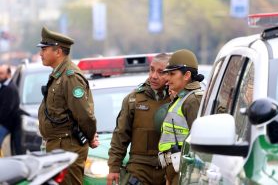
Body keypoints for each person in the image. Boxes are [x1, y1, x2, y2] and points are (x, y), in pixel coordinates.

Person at [37, 26, 99, 185]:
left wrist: (90, 136)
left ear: (58, 52)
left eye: (44, 49)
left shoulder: (70, 77)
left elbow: (84, 115)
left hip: (68, 148)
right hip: (58, 146)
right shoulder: (59, 75)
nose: (40, 54)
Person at [107, 53, 171, 185]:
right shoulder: (133, 100)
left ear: (171, 74)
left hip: (169, 169)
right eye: (151, 69)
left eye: (161, 72)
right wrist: (114, 168)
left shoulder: (179, 100)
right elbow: (120, 136)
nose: (153, 76)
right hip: (139, 170)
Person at [158, 49, 204, 185]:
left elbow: (199, 145)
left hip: (185, 172)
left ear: (187, 75)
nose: (167, 78)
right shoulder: (181, 99)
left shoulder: (193, 100)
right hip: (174, 171)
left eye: (172, 74)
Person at [0, 65, 21, 157]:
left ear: (8, 75)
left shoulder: (10, 88)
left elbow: (6, 109)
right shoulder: (6, 86)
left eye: (1, 74)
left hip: (6, 124)